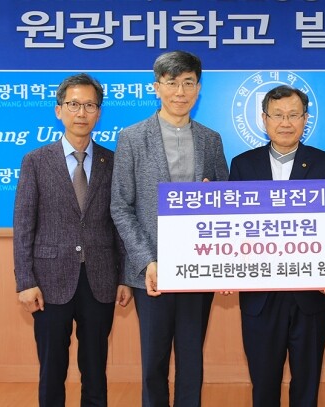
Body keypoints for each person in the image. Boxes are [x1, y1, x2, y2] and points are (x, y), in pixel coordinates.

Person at [110, 50, 229, 406]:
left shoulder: (211, 139)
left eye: (188, 83)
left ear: (199, 88)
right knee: (154, 361)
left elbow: (226, 202)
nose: (180, 92)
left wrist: (213, 198)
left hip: (198, 268)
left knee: (192, 359)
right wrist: (147, 260)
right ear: (156, 87)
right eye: (172, 83)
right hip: (153, 271)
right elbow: (120, 206)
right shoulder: (132, 137)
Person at [13, 73, 132, 407]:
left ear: (99, 112)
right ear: (59, 110)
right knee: (52, 368)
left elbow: (120, 222)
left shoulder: (113, 162)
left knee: (95, 368)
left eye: (90, 105)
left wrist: (125, 277)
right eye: (74, 104)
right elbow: (23, 224)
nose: (82, 113)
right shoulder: (36, 161)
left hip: (101, 280)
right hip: (49, 282)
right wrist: (25, 282)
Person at [228, 85, 325, 407]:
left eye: (294, 115)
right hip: (260, 298)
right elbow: (232, 228)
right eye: (277, 115)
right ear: (264, 119)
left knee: (307, 383)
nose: (286, 123)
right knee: (263, 383)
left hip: (311, 295)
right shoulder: (243, 165)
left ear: (305, 119)